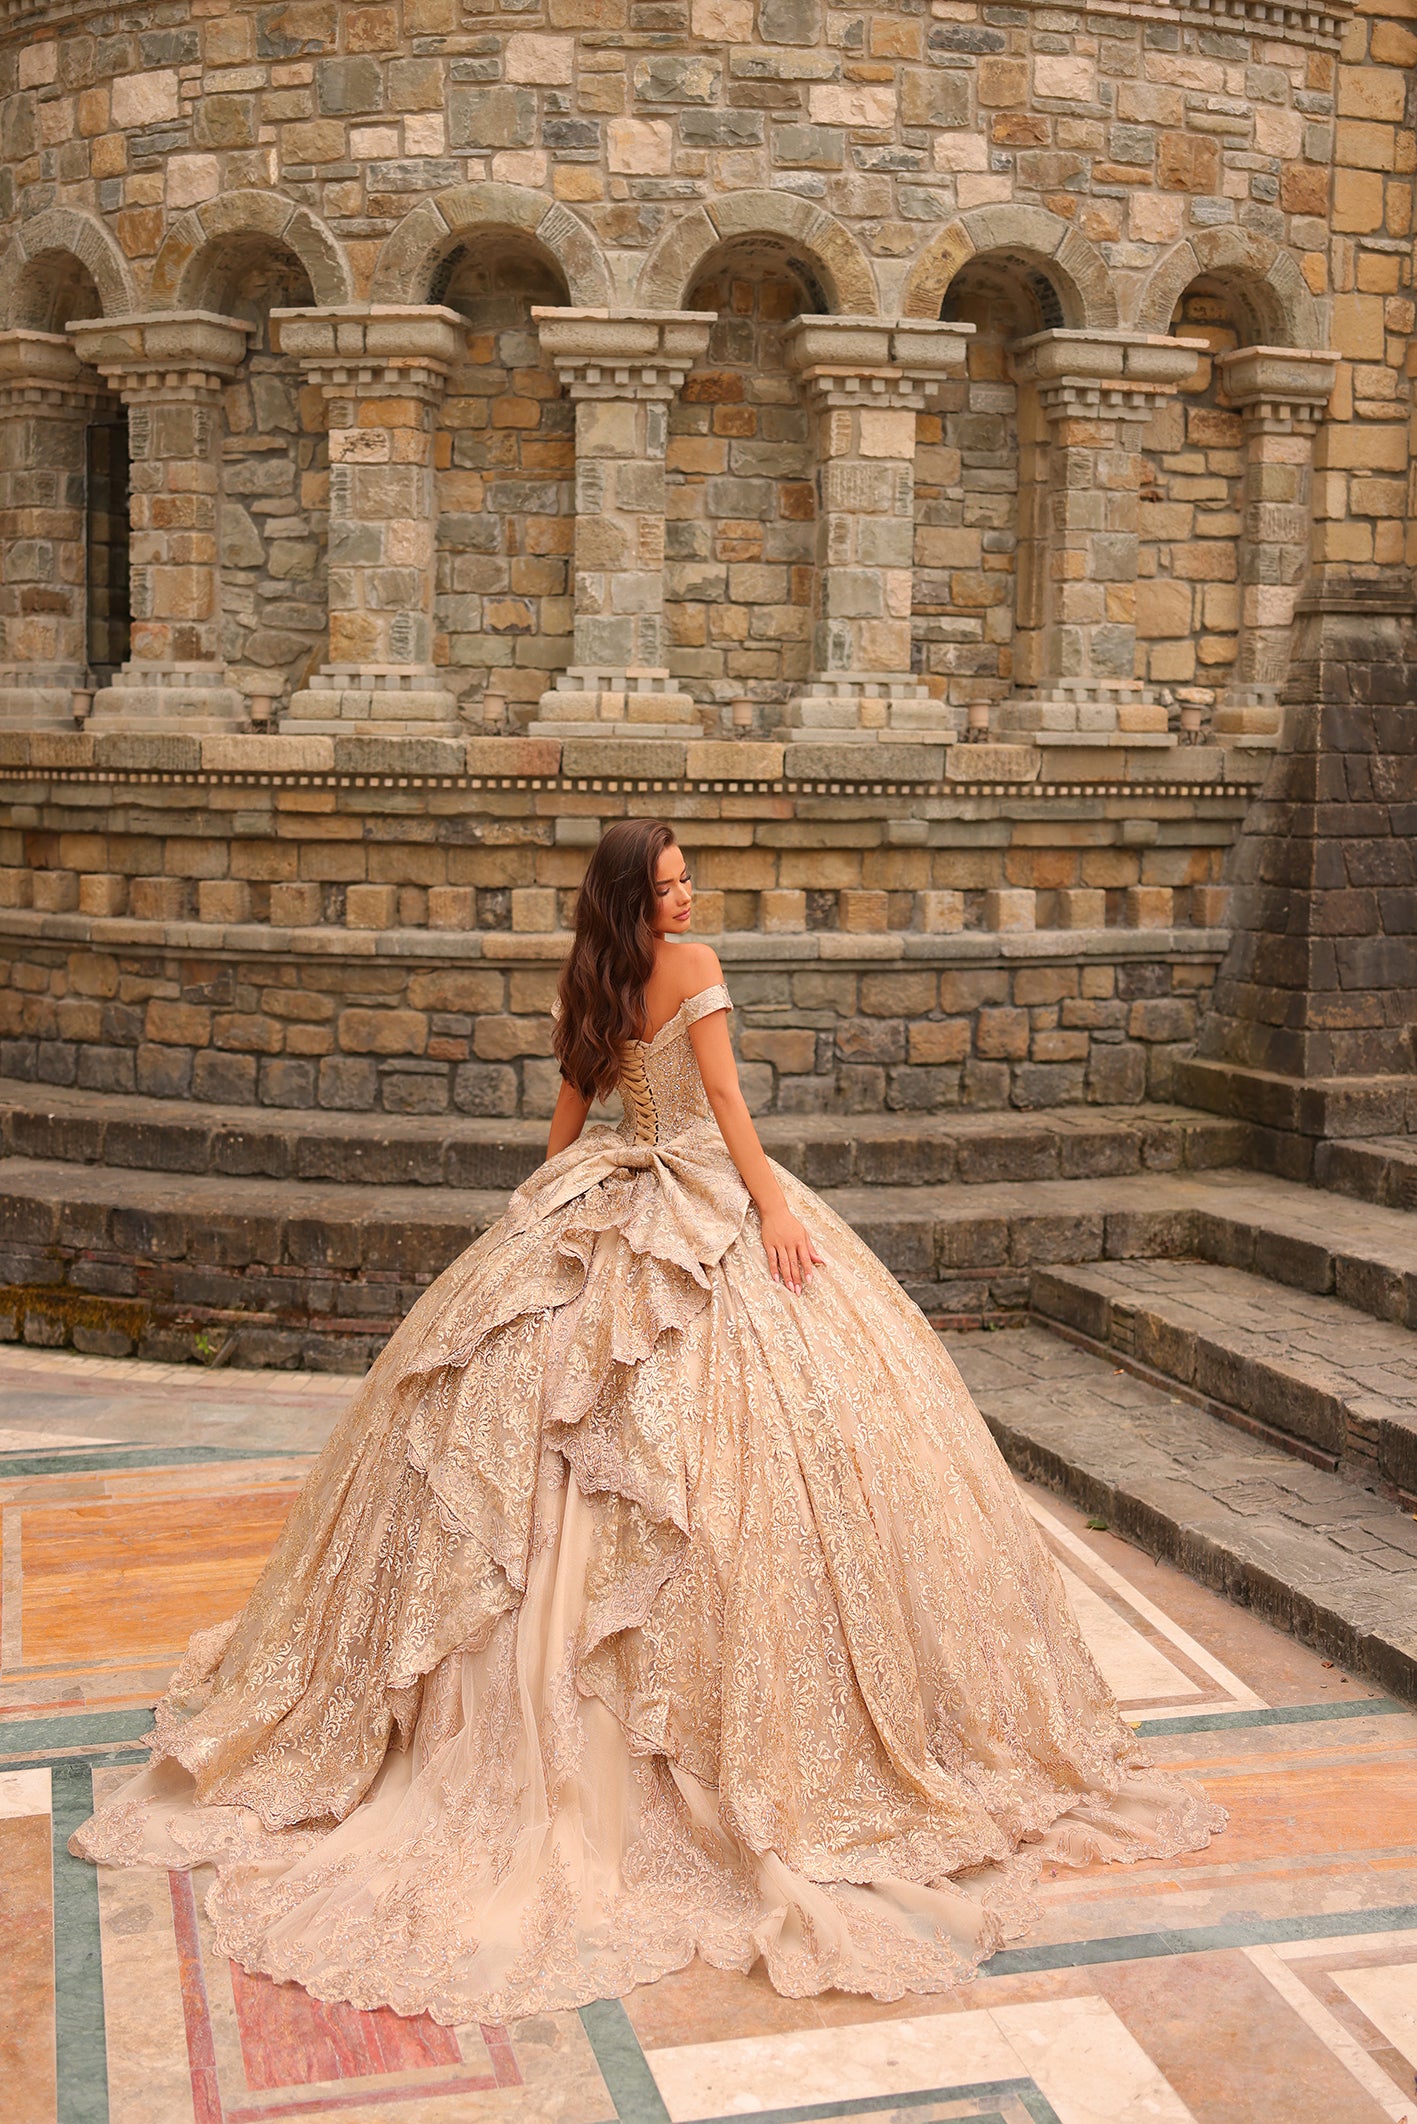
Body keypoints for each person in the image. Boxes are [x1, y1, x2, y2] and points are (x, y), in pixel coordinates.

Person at [74, 818, 1223, 2023]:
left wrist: (539, 1210)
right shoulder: (696, 969)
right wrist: (772, 1212)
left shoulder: (591, 975)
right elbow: (721, 1101)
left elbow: (572, 1111)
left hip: (611, 1191)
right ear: (635, 898)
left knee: (544, 1423)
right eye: (669, 886)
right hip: (691, 1198)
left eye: (688, 883)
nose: (688, 899)